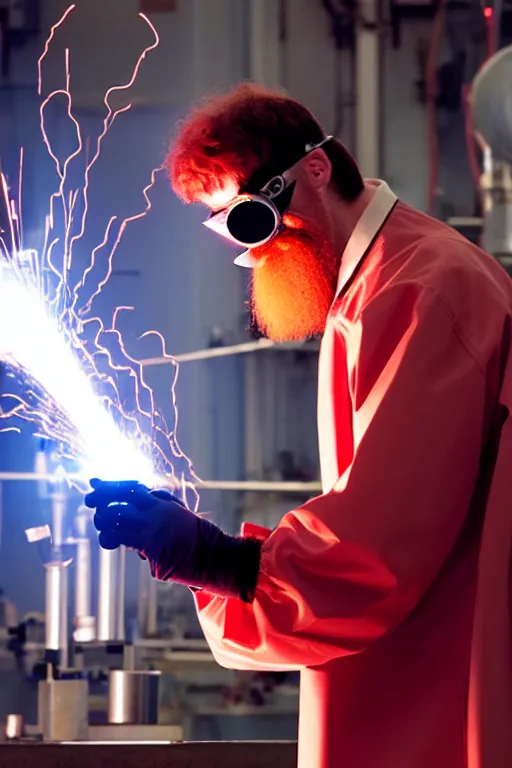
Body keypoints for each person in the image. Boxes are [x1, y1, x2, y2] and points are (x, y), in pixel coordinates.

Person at [85, 83, 512, 768]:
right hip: (410, 682)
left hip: (437, 691)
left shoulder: (418, 292)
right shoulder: (374, 286)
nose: (254, 250)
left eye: (254, 219)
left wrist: (219, 561)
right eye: (229, 230)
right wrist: (214, 564)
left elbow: (376, 552)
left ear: (315, 171)